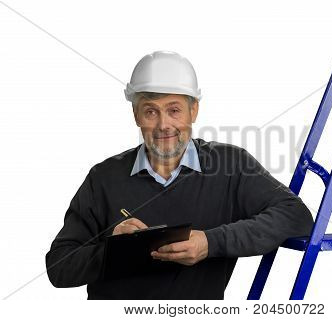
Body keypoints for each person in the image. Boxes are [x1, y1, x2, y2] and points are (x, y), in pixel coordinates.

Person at [45, 50, 314, 299]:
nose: (164, 125)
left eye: (174, 110)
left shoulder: (231, 165)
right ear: (136, 114)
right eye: (151, 111)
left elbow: (296, 216)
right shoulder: (103, 178)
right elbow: (58, 267)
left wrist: (211, 242)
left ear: (193, 110)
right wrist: (114, 250)